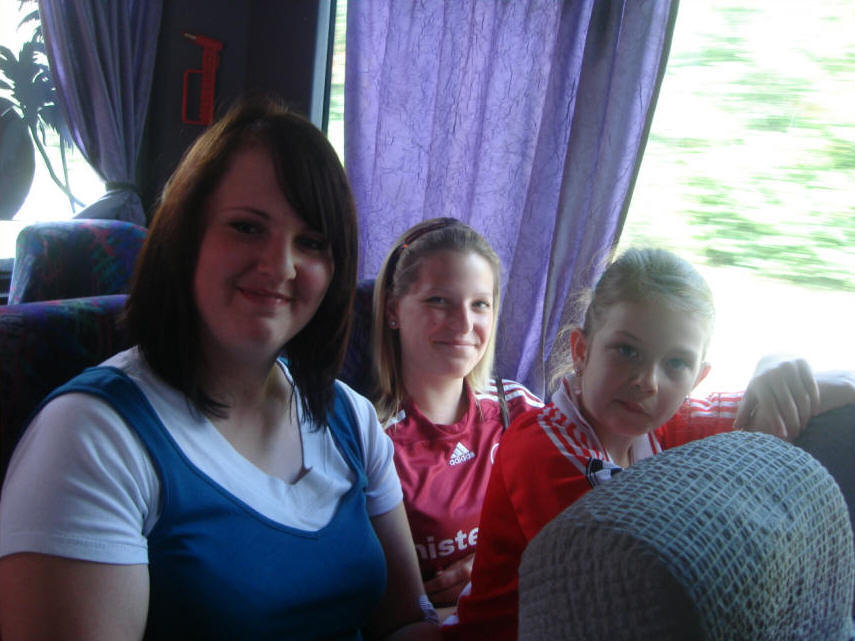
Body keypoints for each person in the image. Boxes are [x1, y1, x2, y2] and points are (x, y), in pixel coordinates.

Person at [0, 97, 440, 641]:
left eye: (311, 242)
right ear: (186, 239)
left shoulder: (350, 417)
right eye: (247, 228)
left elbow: (403, 622)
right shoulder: (90, 438)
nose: (279, 265)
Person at [443, 247, 855, 641]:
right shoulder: (541, 446)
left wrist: (776, 368)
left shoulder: (667, 426)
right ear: (582, 351)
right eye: (627, 351)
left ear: (697, 378)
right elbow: (624, 571)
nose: (648, 382)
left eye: (676, 363)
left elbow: (779, 400)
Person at [372, 218, 543, 613]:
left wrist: (505, 561)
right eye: (439, 301)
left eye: (480, 304)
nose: (465, 324)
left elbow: (583, 510)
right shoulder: (368, 435)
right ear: (394, 309)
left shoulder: (518, 412)